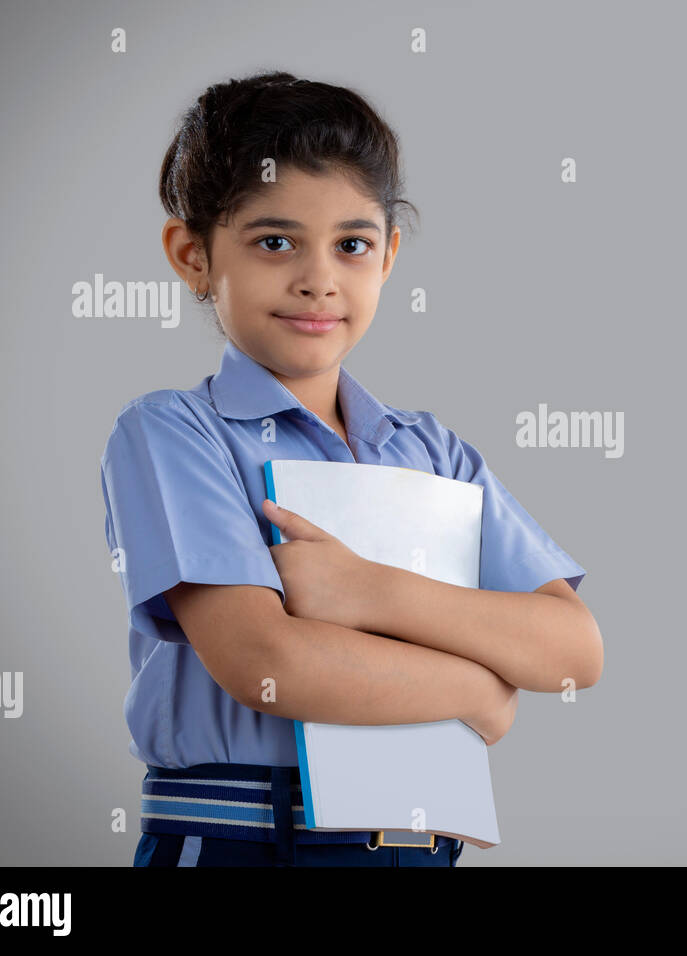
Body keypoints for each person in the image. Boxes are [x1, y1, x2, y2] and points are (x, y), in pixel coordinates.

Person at [101, 71, 602, 867]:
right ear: (192, 254)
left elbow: (573, 651)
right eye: (274, 242)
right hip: (246, 839)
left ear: (389, 255)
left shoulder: (434, 451)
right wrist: (478, 686)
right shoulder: (174, 432)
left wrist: (369, 589)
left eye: (352, 244)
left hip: (420, 846)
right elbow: (268, 663)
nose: (319, 278)